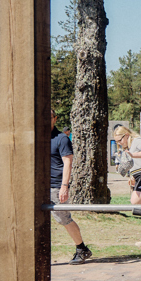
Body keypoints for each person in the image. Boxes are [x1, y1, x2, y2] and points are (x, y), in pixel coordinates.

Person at [51, 109, 93, 264]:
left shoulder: (61, 138)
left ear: (55, 119)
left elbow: (68, 163)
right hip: (38, 186)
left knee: (63, 218)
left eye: (49, 117)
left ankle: (81, 249)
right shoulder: (38, 137)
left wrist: (64, 186)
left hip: (55, 185)